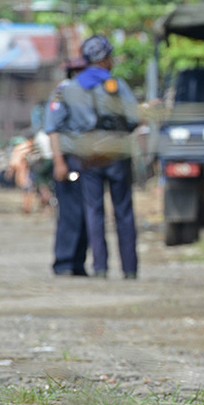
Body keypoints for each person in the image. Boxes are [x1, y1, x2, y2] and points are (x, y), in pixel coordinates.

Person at [49, 35, 141, 279]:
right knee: (123, 210)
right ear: (105, 59)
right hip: (117, 153)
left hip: (87, 156)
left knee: (94, 210)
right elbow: (134, 118)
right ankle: (129, 269)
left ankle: (100, 267)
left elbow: (54, 124)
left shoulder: (70, 88)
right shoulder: (117, 85)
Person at [43, 55, 91, 276]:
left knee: (87, 213)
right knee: (70, 213)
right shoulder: (63, 93)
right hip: (69, 158)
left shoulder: (88, 92)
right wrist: (59, 162)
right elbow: (52, 129)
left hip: (89, 160)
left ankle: (78, 263)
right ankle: (64, 263)